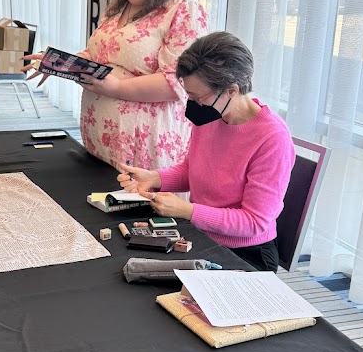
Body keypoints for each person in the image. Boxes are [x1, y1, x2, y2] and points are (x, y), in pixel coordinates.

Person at [118, 31, 295, 272]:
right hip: (203, 238)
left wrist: (188, 211)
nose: (193, 103)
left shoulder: (272, 139)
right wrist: (155, 178)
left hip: (246, 254)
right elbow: (194, 170)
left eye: (197, 96)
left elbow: (254, 222)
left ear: (232, 90)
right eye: (189, 94)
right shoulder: (211, 114)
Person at [37, 0, 206, 170]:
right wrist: (59, 63)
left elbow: (178, 82)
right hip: (101, 143)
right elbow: (97, 55)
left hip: (144, 150)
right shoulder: (120, 5)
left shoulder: (182, 9)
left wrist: (117, 88)